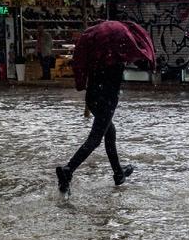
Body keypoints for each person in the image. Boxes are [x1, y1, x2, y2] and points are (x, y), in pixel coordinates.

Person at [56, 62, 132, 194]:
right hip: (107, 99)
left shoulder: (96, 50)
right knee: (95, 138)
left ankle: (118, 173)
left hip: (92, 97)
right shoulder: (116, 53)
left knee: (110, 131)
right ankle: (68, 169)